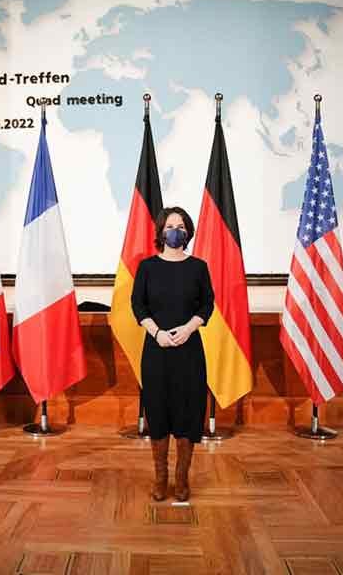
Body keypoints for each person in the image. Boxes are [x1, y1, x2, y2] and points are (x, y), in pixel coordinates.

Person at [131, 206, 214, 502]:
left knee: (188, 411)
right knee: (157, 409)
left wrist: (190, 328)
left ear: (188, 232)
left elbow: (207, 305)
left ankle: (181, 480)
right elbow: (138, 305)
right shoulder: (147, 267)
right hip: (156, 350)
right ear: (161, 232)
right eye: (169, 226)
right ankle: (160, 479)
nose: (174, 231)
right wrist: (157, 333)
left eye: (180, 226)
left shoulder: (199, 267)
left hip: (189, 351)